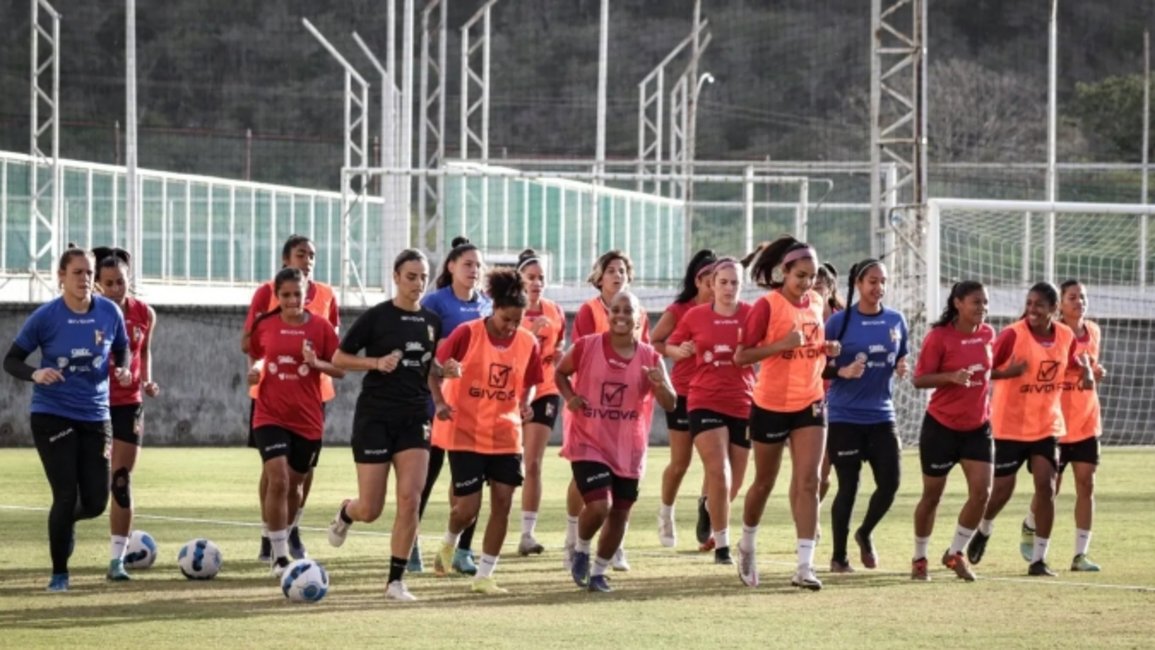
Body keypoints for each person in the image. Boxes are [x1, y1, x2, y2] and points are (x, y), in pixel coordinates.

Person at [4, 246, 130, 592]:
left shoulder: (109, 312)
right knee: (64, 493)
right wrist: (36, 374)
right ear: (61, 277)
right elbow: (11, 360)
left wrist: (122, 367)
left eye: (89, 273)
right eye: (77, 273)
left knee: (94, 502)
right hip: (52, 414)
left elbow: (122, 347)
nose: (85, 280)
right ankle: (59, 574)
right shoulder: (46, 317)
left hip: (96, 415)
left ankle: (65, 522)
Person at [327, 249, 441, 601]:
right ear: (395, 276)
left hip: (416, 416)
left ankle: (395, 581)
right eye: (411, 276)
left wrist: (445, 372)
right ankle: (347, 511)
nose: (418, 283)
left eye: (423, 276)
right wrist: (376, 363)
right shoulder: (376, 317)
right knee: (371, 509)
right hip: (375, 417)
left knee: (410, 498)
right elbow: (338, 359)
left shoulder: (433, 321)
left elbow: (428, 367)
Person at [733, 237, 840, 591]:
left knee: (809, 482)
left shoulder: (816, 302)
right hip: (770, 406)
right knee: (764, 483)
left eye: (811, 276)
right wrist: (781, 345)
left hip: (810, 403)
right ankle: (747, 544)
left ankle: (805, 566)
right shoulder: (767, 306)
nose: (807, 283)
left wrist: (827, 348)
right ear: (784, 272)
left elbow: (811, 345)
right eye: (800, 276)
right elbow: (742, 356)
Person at [429, 268, 543, 594]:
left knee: (504, 503)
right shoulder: (467, 333)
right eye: (507, 319)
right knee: (466, 510)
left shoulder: (527, 342)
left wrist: (525, 402)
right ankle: (450, 541)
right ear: (494, 309)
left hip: (506, 435)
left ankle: (485, 575)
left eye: (517, 321)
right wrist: (438, 400)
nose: (511, 327)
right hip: (465, 432)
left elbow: (531, 381)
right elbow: (432, 368)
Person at [970, 282, 1092, 577]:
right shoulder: (1012, 335)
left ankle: (1039, 559)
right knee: (1001, 491)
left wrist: (1088, 371)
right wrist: (1009, 373)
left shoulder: (1064, 335)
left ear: (1053, 309)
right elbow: (984, 369)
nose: (1032, 309)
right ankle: (984, 528)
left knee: (1046, 488)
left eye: (1039, 304)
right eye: (1029, 303)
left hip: (1047, 425)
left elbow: (1075, 360)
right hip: (1009, 425)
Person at [558, 290, 676, 592]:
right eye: (616, 310)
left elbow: (671, 402)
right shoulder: (586, 346)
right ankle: (581, 549)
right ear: (609, 314)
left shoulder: (650, 357)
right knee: (600, 506)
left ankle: (598, 573)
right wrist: (571, 398)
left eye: (628, 311)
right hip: (589, 441)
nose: (621, 316)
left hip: (629, 449)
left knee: (620, 513)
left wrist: (659, 384)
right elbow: (560, 373)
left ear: (639, 319)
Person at [241, 234, 339, 562]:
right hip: (270, 398)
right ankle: (271, 538)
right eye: (301, 254)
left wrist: (317, 364)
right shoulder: (265, 297)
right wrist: (255, 371)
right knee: (274, 474)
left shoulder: (325, 297)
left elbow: (336, 353)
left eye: (312, 254)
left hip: (312, 398)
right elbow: (253, 345)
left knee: (300, 476)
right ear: (286, 259)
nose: (308, 260)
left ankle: (291, 526)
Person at [563, 249, 651, 572]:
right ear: (599, 278)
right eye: (611, 270)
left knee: (619, 500)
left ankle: (614, 547)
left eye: (622, 270)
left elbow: (647, 356)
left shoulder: (638, 314)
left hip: (626, 418)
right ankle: (574, 538)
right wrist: (573, 396)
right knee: (587, 486)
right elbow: (577, 359)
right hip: (589, 407)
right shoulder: (588, 312)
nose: (617, 275)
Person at [821, 259, 908, 573]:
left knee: (891, 483)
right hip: (845, 417)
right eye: (872, 281)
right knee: (848, 486)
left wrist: (901, 365)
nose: (878, 287)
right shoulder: (838, 323)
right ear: (858, 283)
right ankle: (839, 557)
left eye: (883, 281)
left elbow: (900, 355)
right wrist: (841, 370)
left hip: (882, 415)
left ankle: (865, 532)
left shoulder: (896, 320)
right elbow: (816, 366)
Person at [666, 257, 753, 565]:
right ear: (712, 285)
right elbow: (670, 345)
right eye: (723, 282)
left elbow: (767, 349)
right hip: (703, 399)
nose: (729, 288)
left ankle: (708, 506)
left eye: (735, 283)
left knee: (735, 481)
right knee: (719, 470)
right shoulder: (695, 316)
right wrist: (682, 350)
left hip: (742, 401)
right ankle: (723, 546)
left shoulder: (752, 315)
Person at [414, 236, 492, 575]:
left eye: (477, 265)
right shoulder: (435, 302)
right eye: (467, 264)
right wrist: (440, 367)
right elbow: (422, 348)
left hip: (476, 408)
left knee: (471, 483)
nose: (474, 271)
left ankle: (463, 550)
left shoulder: (487, 305)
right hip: (438, 403)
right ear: (451, 267)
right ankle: (409, 543)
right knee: (425, 477)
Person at [909, 281, 995, 582]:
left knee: (982, 493)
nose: (982, 307)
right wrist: (950, 377)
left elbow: (988, 372)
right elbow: (919, 380)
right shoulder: (939, 337)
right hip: (941, 428)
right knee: (932, 496)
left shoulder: (988, 333)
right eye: (976, 302)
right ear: (958, 303)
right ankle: (919, 558)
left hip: (977, 428)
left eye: (985, 302)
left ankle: (955, 553)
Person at [1021, 280, 1106, 572]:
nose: (1079, 301)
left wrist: (1095, 371)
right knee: (1050, 489)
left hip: (1086, 420)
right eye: (1072, 297)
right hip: (1056, 422)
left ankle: (1080, 554)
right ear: (1061, 304)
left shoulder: (1093, 331)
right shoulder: (1054, 334)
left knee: (1087, 483)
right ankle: (1031, 523)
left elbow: (1091, 369)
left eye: (1083, 296)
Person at [93, 247, 160, 581]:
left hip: (129, 402)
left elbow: (143, 350)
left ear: (128, 280)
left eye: (120, 281)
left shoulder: (144, 313)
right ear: (97, 285)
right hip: (91, 403)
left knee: (120, 481)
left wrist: (145, 379)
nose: (116, 288)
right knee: (89, 486)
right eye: (109, 283)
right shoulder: (90, 313)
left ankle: (116, 561)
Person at [651, 249, 717, 551]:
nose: (716, 285)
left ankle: (707, 509)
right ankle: (666, 514)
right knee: (680, 462)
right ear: (699, 280)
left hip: (715, 394)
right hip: (684, 393)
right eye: (710, 279)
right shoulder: (680, 309)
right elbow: (655, 340)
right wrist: (675, 351)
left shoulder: (726, 310)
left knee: (715, 461)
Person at [515, 249, 566, 556]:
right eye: (531, 278)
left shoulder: (554, 310)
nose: (536, 283)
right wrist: (529, 335)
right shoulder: (509, 311)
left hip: (545, 390)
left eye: (541, 278)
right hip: (509, 393)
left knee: (532, 462)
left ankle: (527, 534)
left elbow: (559, 345)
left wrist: (560, 352)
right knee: (506, 467)